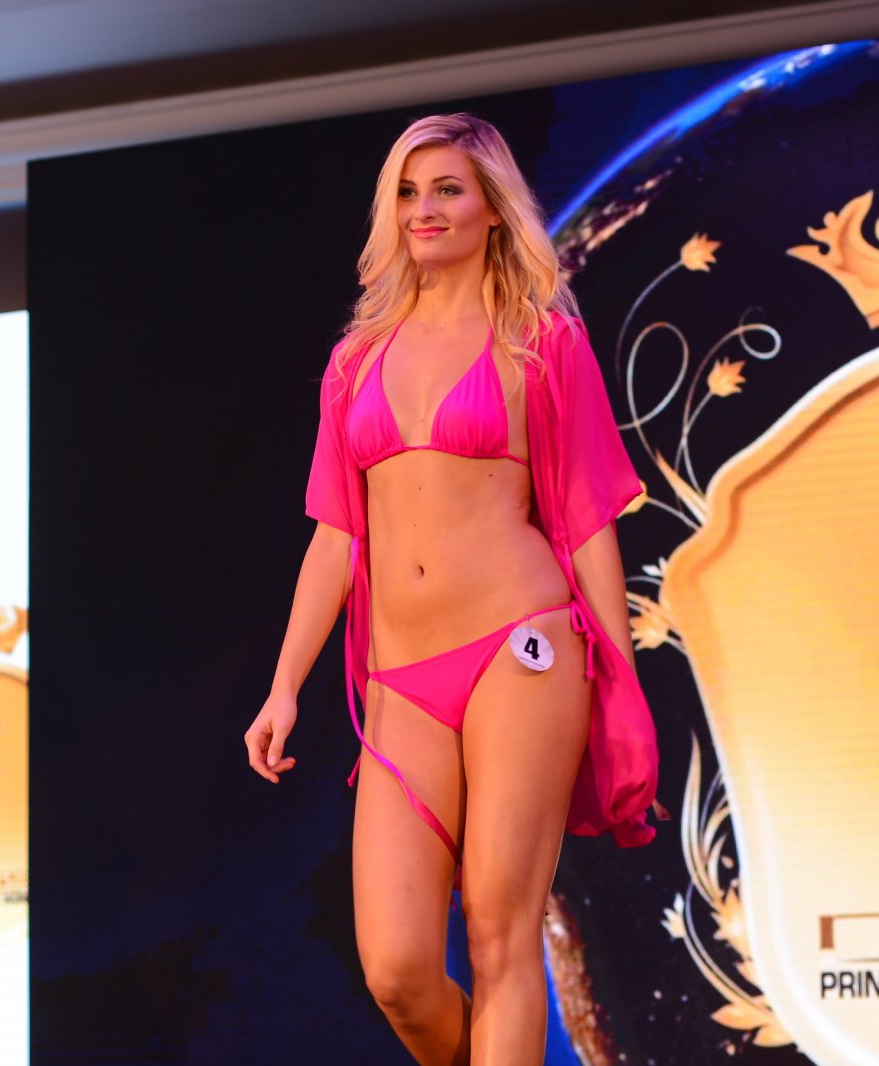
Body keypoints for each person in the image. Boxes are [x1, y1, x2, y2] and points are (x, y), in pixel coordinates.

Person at [243, 113, 658, 1063]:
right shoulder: (355, 360)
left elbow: (587, 523)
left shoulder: (541, 343)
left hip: (520, 648)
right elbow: (335, 536)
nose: (422, 209)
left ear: (492, 208)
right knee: (395, 970)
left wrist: (620, 681)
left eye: (445, 189)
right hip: (400, 681)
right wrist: (283, 686)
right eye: (406, 191)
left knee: (500, 936)